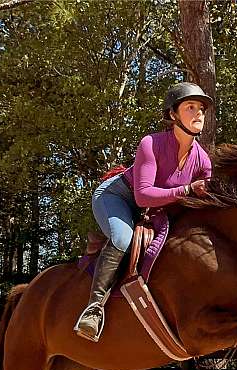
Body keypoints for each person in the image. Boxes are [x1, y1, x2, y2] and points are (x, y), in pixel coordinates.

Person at [75, 82, 214, 342]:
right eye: (190, 107)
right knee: (122, 239)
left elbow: (207, 195)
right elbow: (143, 195)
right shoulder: (151, 143)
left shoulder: (203, 159)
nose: (199, 114)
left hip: (153, 209)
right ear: (173, 115)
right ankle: (93, 309)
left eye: (202, 109)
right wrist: (187, 190)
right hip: (117, 197)